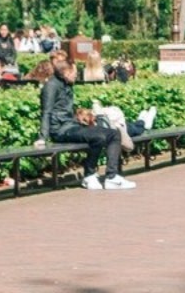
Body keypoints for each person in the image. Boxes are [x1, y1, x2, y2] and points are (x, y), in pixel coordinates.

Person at [41, 49, 134, 191]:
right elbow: (46, 112)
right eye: (74, 72)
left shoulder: (67, 84)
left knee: (114, 134)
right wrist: (42, 137)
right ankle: (89, 174)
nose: (77, 74)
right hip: (60, 130)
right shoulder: (51, 86)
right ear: (66, 73)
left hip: (71, 126)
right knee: (98, 137)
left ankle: (111, 177)